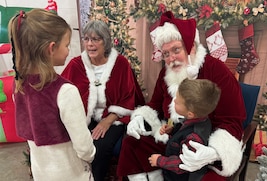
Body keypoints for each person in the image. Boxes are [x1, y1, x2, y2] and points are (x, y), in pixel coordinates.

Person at [117, 11, 246, 181]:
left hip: (201, 148)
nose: (171, 59)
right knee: (132, 143)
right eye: (166, 54)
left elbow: (232, 120)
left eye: (176, 50)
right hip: (174, 138)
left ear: (191, 46)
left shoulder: (217, 71)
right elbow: (155, 104)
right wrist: (140, 117)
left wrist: (214, 152)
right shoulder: (166, 73)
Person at [10, 9, 96, 181]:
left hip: (42, 173)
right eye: (66, 45)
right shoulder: (65, 91)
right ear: (51, 48)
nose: (67, 50)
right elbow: (84, 148)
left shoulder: (18, 84)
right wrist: (90, 157)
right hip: (72, 175)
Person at [61, 20, 144, 181]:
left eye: (95, 39)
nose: (90, 44)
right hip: (83, 118)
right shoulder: (76, 65)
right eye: (86, 39)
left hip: (114, 118)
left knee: (100, 147)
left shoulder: (120, 64)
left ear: (105, 41)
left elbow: (128, 98)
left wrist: (107, 121)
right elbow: (61, 90)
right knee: (76, 145)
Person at [148, 78, 221, 181]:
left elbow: (183, 164)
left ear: (190, 114)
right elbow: (185, 128)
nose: (174, 100)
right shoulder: (201, 118)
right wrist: (173, 130)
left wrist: (160, 161)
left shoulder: (193, 138)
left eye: (177, 102)